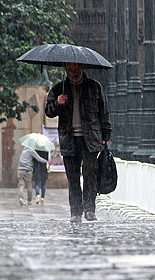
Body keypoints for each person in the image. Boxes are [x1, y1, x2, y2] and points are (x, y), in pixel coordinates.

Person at [45, 62, 112, 223]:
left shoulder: (94, 87)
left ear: (82, 69)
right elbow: (48, 111)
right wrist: (57, 103)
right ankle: (75, 212)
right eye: (70, 70)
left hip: (90, 139)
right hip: (69, 139)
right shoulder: (59, 89)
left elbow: (104, 112)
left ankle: (89, 210)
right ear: (66, 71)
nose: (73, 73)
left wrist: (106, 135)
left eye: (76, 69)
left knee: (90, 175)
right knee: (73, 177)